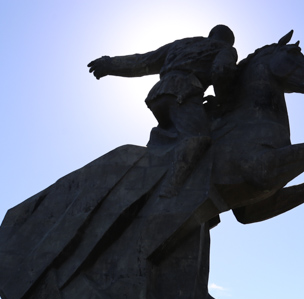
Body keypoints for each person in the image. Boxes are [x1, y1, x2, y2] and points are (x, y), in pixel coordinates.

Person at [88, 25, 238, 194]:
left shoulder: (181, 44)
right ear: (229, 41)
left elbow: (144, 61)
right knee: (198, 138)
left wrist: (110, 64)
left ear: (210, 34)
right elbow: (222, 70)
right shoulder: (225, 49)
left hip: (159, 94)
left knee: (179, 136)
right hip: (183, 92)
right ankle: (171, 189)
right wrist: (224, 102)